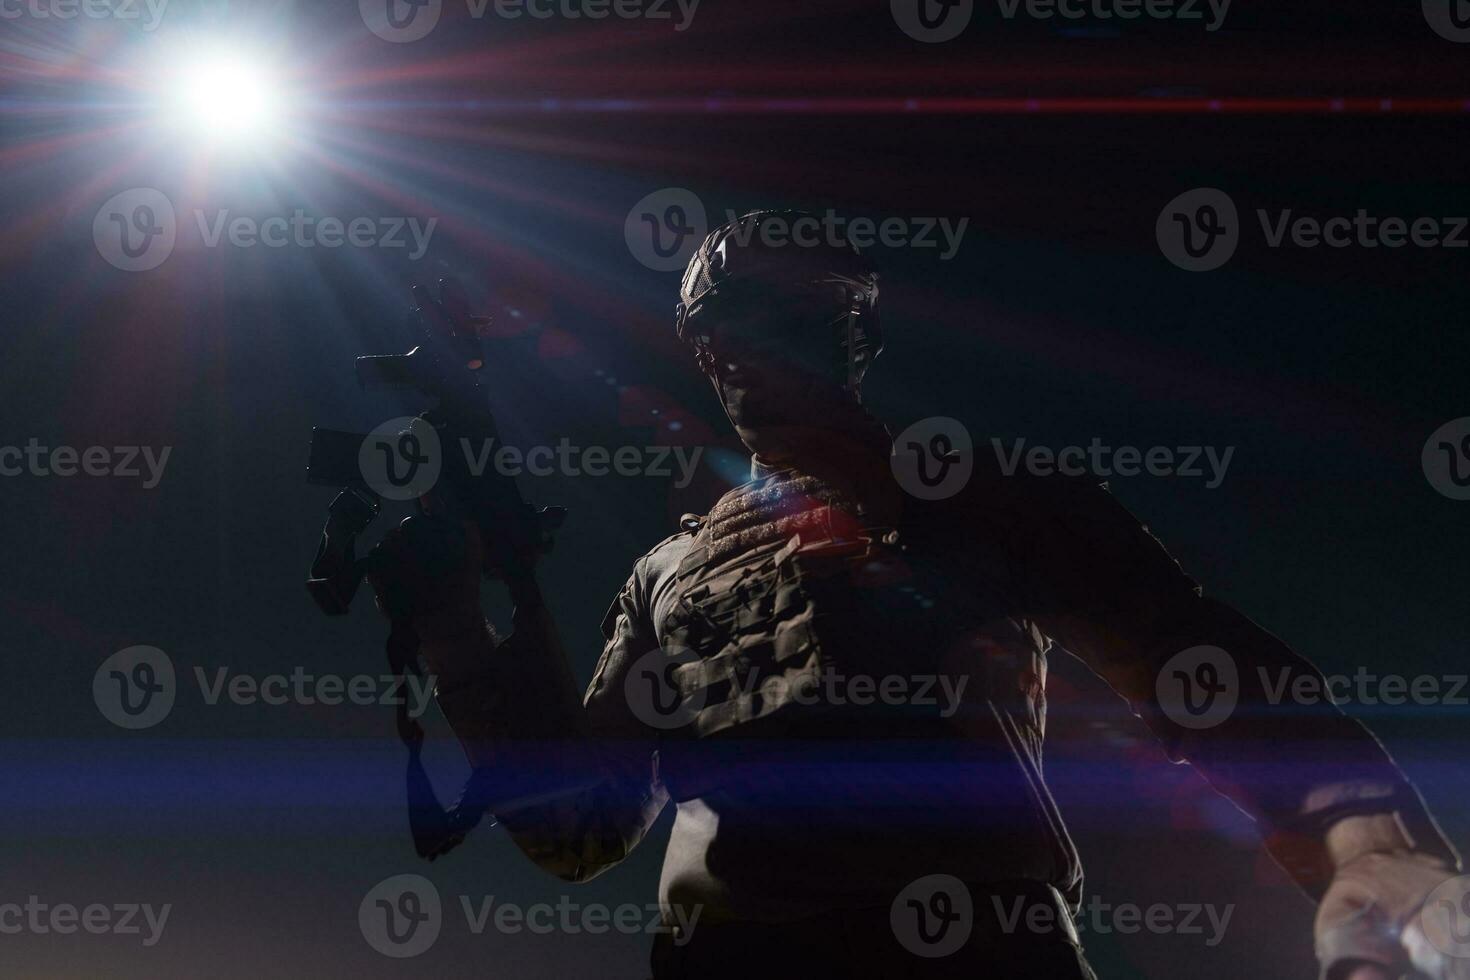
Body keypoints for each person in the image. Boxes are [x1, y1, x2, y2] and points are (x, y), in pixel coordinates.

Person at [368, 211, 1464, 979]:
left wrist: (1361, 836)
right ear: (702, 353)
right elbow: (576, 827)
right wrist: (456, 624)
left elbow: (1200, 664)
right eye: (732, 327)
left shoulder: (984, 496)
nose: (761, 351)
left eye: (801, 316)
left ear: (859, 333)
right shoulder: (669, 571)